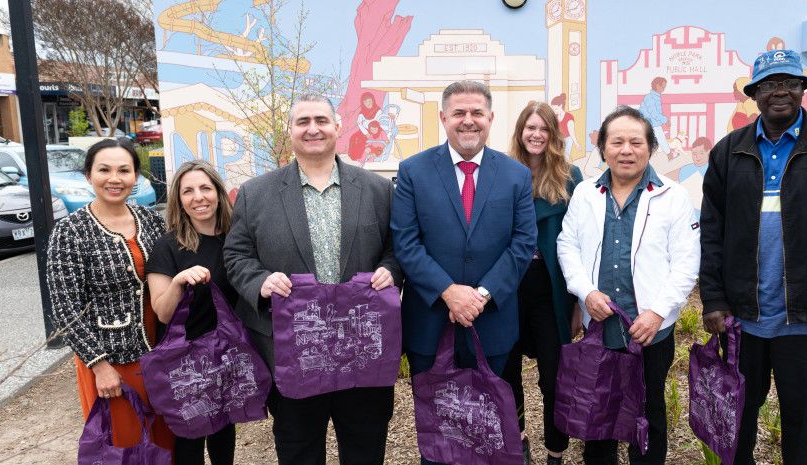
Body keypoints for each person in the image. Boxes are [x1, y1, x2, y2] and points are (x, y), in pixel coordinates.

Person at [699, 49, 807, 465]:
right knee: (738, 420)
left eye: (791, 83)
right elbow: (712, 234)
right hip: (745, 320)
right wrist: (715, 299)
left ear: (803, 90)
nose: (781, 92)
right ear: (754, 93)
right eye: (770, 84)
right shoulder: (729, 152)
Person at [223, 94, 403, 465]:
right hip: (294, 352)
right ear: (289, 131)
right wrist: (261, 282)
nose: (312, 128)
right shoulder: (256, 194)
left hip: (362, 352)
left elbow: (397, 248)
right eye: (302, 121)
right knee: (299, 451)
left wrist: (392, 269)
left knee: (365, 450)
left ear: (338, 127)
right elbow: (236, 255)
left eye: (321, 120)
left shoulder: (377, 190)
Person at [390, 80, 537, 465]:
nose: (467, 121)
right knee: (439, 430)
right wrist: (448, 291)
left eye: (476, 113)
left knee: (489, 431)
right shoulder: (413, 171)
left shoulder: (516, 175)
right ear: (443, 118)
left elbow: (523, 244)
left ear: (490, 118)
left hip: (492, 325)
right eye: (459, 113)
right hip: (431, 321)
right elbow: (406, 242)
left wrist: (481, 295)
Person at [556, 105, 700, 465]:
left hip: (649, 330)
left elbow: (686, 262)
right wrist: (585, 291)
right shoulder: (586, 193)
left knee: (649, 409)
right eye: (616, 141)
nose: (626, 150)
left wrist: (657, 312)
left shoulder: (673, 195)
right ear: (603, 148)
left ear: (650, 148)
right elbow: (567, 245)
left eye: (636, 142)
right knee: (598, 408)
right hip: (601, 325)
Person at [47, 138, 174, 458]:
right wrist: (99, 365)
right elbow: (66, 309)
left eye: (124, 170)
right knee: (124, 446)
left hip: (158, 352)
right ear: (88, 175)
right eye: (104, 170)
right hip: (112, 361)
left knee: (164, 443)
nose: (114, 178)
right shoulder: (70, 231)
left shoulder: (150, 220)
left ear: (135, 177)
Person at [501, 101, 583, 465]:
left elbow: (583, 239)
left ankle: (555, 450)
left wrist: (580, 301)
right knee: (507, 371)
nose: (535, 134)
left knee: (554, 377)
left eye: (543, 128)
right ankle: (517, 439)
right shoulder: (501, 173)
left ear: (553, 134)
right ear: (520, 132)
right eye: (529, 127)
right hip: (507, 286)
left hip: (552, 288)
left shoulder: (570, 177)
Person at [145, 160, 238, 465]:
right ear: (179, 200)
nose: (198, 197)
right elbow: (161, 312)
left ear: (218, 193)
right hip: (184, 362)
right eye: (188, 191)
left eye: (205, 188)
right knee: (189, 443)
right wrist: (178, 281)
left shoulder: (236, 241)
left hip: (226, 354)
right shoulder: (168, 247)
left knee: (224, 435)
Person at [639, 77, 670, 153]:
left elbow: (657, 113)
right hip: (648, 122)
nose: (663, 89)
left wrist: (663, 120)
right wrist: (665, 120)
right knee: (660, 137)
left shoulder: (656, 97)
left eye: (664, 87)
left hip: (652, 122)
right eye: (663, 87)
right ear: (657, 86)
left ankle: (669, 154)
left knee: (658, 138)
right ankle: (669, 154)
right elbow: (654, 112)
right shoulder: (649, 97)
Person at [550, 93, 581, 160]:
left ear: (560, 106)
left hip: (568, 139)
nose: (554, 111)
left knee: (565, 158)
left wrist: (576, 143)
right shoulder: (555, 117)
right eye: (553, 109)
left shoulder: (568, 117)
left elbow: (571, 132)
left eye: (555, 109)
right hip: (558, 139)